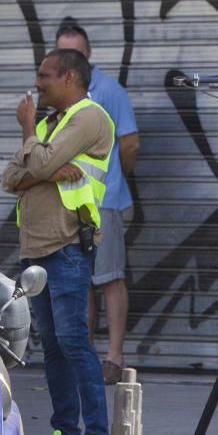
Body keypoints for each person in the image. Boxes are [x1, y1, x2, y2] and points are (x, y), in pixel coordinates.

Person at [1, 48, 114, 435]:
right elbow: (10, 178)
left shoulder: (88, 117)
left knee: (73, 342)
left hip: (66, 245)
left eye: (45, 75)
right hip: (35, 249)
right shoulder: (51, 123)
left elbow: (39, 161)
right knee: (51, 346)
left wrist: (31, 137)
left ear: (69, 77)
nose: (38, 83)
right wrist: (45, 165)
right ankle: (66, 433)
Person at [55, 21, 139, 385]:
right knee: (83, 280)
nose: (68, 59)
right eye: (62, 53)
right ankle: (85, 354)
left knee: (110, 278)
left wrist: (111, 181)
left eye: (75, 52)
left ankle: (115, 357)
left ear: (88, 54)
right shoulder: (58, 92)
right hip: (70, 204)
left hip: (104, 202)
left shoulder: (110, 91)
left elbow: (130, 143)